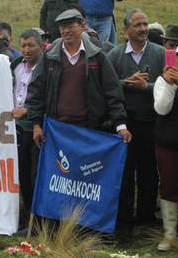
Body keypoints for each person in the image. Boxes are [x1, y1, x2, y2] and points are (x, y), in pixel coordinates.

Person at [25, 9, 131, 151]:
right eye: (62, 27)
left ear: (82, 26)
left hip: (90, 131)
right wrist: (36, 124)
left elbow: (112, 91)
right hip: (57, 132)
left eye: (70, 26)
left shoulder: (97, 56)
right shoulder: (49, 57)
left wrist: (120, 125)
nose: (66, 31)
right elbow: (36, 91)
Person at [107, 9, 165, 233]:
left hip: (152, 123)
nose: (143, 29)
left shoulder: (160, 53)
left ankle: (146, 221)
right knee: (124, 174)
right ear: (126, 30)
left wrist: (146, 87)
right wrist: (126, 82)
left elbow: (170, 85)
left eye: (145, 24)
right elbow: (108, 88)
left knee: (149, 173)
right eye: (138, 25)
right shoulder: (115, 55)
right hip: (125, 125)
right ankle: (124, 222)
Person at [11, 29, 44, 224]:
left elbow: (47, 96)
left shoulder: (47, 67)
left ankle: (39, 220)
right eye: (23, 46)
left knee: (36, 175)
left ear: (41, 46)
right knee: (22, 174)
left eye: (31, 45)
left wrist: (29, 111)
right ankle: (28, 217)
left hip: (38, 127)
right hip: (18, 128)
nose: (27, 49)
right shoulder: (14, 66)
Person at [153, 43, 178, 251]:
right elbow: (162, 108)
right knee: (169, 187)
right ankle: (170, 234)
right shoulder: (161, 81)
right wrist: (170, 84)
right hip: (169, 144)